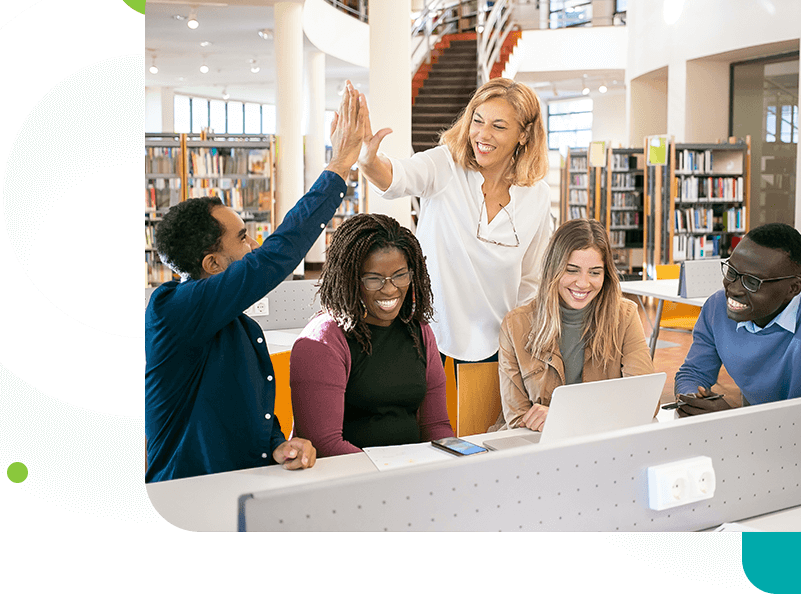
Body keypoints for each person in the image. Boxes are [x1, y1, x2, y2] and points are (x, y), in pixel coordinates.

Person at [144, 87, 366, 483]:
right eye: (243, 237)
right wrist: (340, 164)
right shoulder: (173, 309)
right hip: (187, 493)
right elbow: (276, 256)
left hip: (241, 487)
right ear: (212, 264)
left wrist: (278, 445)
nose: (254, 246)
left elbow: (243, 411)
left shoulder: (237, 325)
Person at [356, 76, 553, 367]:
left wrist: (521, 343)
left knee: (481, 415)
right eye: (478, 120)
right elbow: (398, 177)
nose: (483, 135)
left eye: (498, 126)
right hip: (428, 335)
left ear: (524, 135)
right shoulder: (446, 165)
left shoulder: (537, 195)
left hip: (498, 344)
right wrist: (369, 161)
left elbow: (532, 280)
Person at [290, 213, 454, 455]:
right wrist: (392, 475)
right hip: (351, 480)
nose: (389, 289)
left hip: (410, 475)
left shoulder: (419, 331)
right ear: (350, 279)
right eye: (374, 279)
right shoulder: (322, 341)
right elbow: (324, 445)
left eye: (400, 275)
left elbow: (436, 426)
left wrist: (458, 460)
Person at [674, 223, 801, 416]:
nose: (733, 289)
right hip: (761, 434)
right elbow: (693, 373)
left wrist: (732, 419)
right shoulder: (716, 306)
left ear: (793, 288)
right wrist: (692, 399)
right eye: (732, 272)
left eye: (752, 282)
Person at [492, 219, 654, 431]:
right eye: (572, 270)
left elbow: (646, 402)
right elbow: (517, 420)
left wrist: (564, 416)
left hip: (602, 441)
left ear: (606, 275)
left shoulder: (625, 316)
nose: (583, 283)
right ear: (554, 269)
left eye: (595, 272)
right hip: (537, 445)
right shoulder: (515, 325)